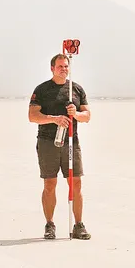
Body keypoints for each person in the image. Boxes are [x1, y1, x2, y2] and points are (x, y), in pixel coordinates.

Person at [28, 52, 91, 240]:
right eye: (60, 66)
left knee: (76, 182)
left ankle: (78, 225)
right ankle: (50, 224)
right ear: (52, 68)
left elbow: (87, 115)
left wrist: (76, 114)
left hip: (72, 141)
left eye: (66, 66)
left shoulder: (76, 89)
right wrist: (53, 119)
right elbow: (32, 116)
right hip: (48, 142)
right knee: (50, 183)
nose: (64, 69)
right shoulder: (42, 90)